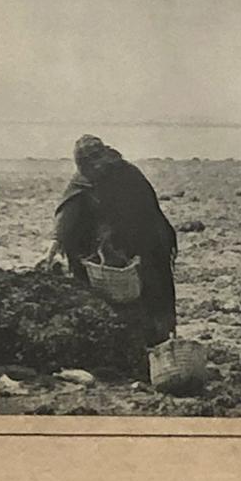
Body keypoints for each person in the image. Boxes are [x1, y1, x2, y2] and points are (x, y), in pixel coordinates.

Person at [45, 135, 177, 343]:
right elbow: (69, 212)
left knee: (153, 287)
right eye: (90, 165)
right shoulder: (83, 179)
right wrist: (56, 242)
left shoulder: (128, 175)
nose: (96, 169)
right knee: (106, 293)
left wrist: (123, 241)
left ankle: (159, 334)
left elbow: (145, 213)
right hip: (107, 243)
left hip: (145, 238)